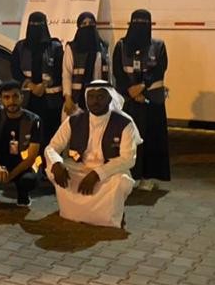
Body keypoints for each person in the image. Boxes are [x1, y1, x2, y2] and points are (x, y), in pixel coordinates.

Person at [45, 79, 142, 228]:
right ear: (86, 98)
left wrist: (97, 174)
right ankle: (75, 213)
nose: (95, 101)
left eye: (100, 97)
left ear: (110, 98)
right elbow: (52, 147)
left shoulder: (124, 123)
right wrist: (56, 163)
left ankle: (110, 216)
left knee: (121, 181)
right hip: (80, 168)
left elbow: (128, 159)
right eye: (91, 97)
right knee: (53, 171)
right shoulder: (74, 120)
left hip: (108, 171)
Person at [113, 9, 170, 190]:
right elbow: (118, 72)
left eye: (144, 23)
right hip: (128, 101)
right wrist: (131, 91)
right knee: (128, 140)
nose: (140, 27)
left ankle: (148, 176)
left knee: (151, 139)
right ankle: (131, 174)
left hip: (151, 102)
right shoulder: (121, 46)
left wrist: (142, 86)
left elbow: (159, 69)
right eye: (137, 22)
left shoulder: (158, 46)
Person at [0, 80, 43, 210]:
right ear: (1, 99)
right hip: (0, 161)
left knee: (29, 180)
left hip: (23, 162)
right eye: (6, 97)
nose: (11, 101)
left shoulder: (34, 120)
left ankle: (23, 194)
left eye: (15, 96)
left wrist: (10, 176)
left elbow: (31, 157)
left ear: (22, 97)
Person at [11, 11, 63, 150]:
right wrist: (31, 85)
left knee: (50, 136)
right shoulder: (20, 47)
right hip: (28, 100)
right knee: (29, 134)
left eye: (39, 24)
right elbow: (15, 70)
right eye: (32, 23)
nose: (35, 27)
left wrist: (44, 85)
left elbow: (60, 71)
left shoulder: (55, 47)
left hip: (50, 102)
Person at [63, 11, 110, 116]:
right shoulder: (72, 47)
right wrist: (68, 98)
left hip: (98, 101)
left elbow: (108, 75)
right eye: (84, 24)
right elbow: (67, 74)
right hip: (76, 101)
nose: (88, 26)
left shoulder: (103, 47)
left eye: (91, 23)